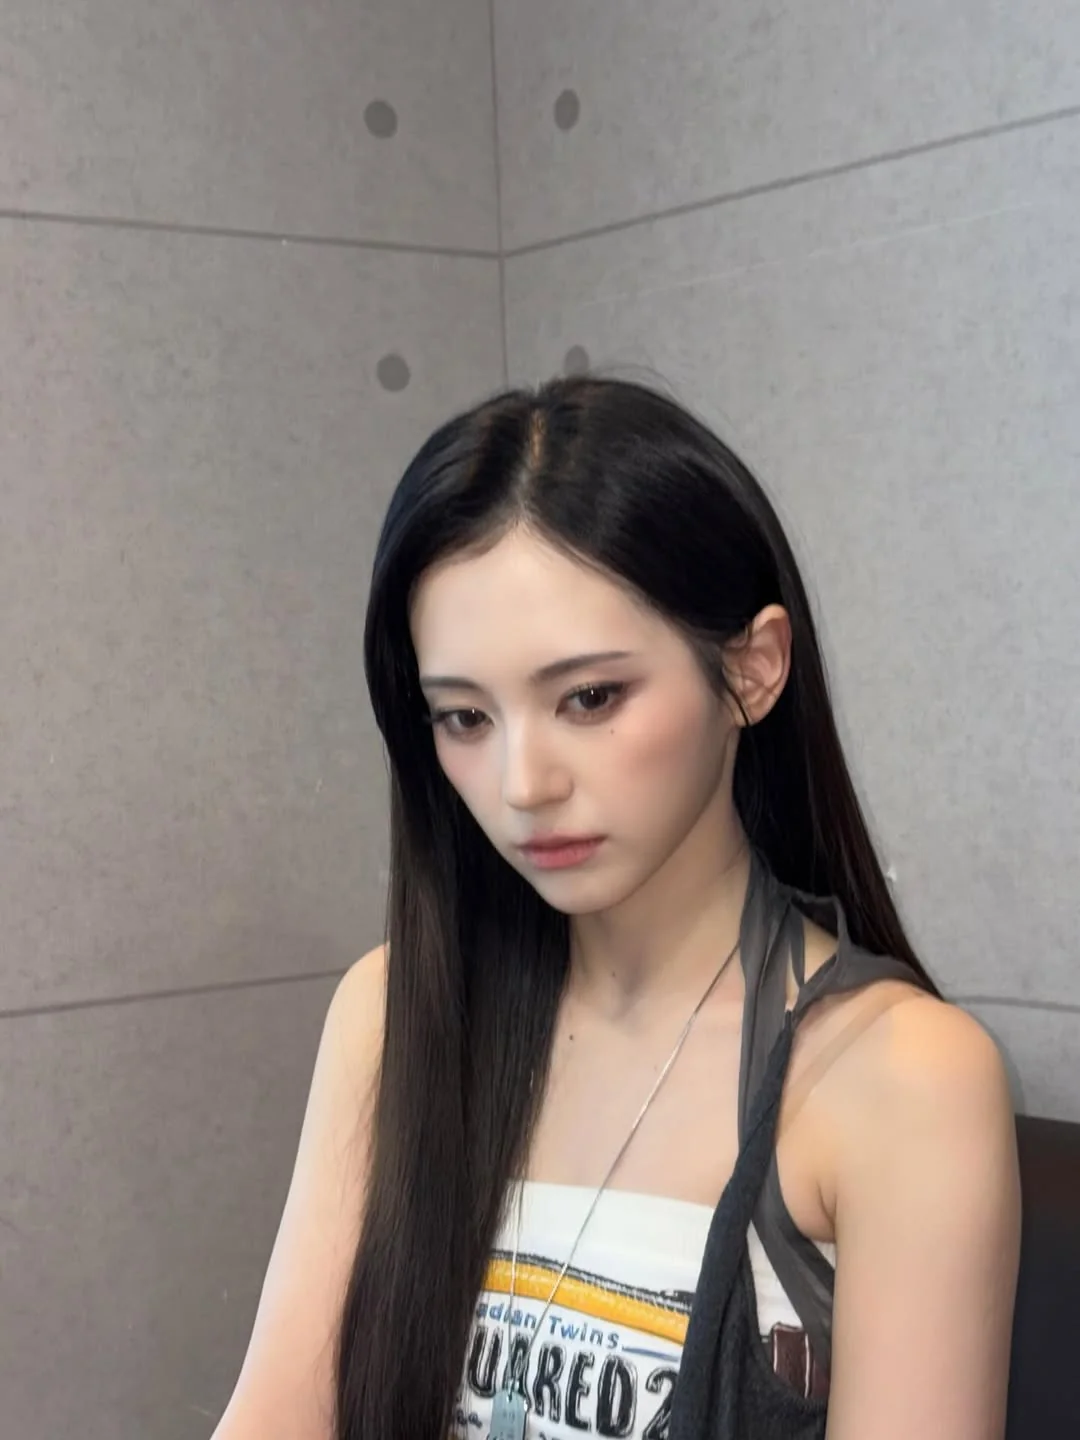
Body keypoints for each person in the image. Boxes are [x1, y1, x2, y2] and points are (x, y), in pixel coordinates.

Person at [211, 375, 1020, 1440]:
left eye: (589, 698)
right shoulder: (393, 1012)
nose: (523, 784)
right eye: (464, 717)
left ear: (753, 670)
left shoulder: (899, 1078)